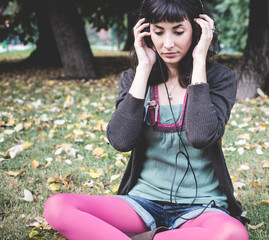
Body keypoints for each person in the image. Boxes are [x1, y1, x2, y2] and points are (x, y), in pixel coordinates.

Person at [43, 0, 249, 239]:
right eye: (158, 32)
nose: (168, 43)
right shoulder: (134, 79)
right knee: (58, 206)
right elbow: (120, 141)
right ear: (146, 31)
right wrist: (144, 67)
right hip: (141, 204)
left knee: (233, 234)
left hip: (202, 208)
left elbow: (201, 136)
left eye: (179, 32)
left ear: (198, 29)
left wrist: (199, 59)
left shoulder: (220, 78)